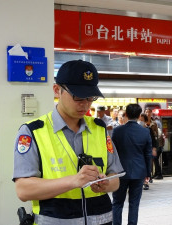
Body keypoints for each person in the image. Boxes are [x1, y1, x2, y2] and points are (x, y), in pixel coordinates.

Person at [12, 60, 124, 225]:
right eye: (77, 96)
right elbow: (23, 190)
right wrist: (73, 181)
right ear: (57, 90)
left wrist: (105, 183)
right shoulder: (33, 132)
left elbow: (116, 178)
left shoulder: (100, 129)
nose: (85, 104)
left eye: (90, 97)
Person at [112, 104, 152, 225]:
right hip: (139, 172)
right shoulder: (145, 132)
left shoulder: (117, 131)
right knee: (134, 203)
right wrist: (148, 173)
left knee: (117, 203)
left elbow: (112, 152)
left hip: (120, 172)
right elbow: (148, 154)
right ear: (140, 116)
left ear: (126, 115)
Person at [139, 113, 159, 188]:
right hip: (139, 150)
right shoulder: (137, 129)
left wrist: (154, 149)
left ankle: (146, 181)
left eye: (142, 120)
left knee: (147, 165)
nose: (140, 121)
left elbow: (153, 140)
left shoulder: (148, 129)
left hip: (147, 150)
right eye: (140, 119)